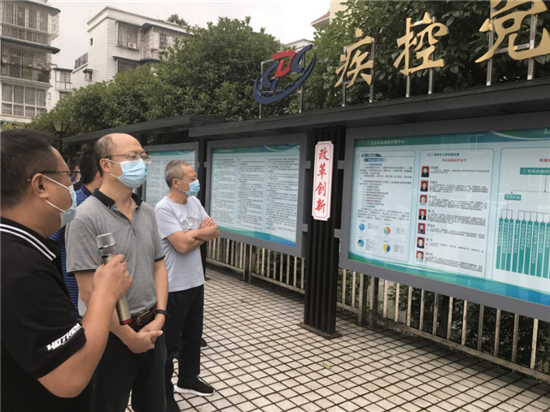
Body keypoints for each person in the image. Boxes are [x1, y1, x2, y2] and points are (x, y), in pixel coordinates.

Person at [1, 129, 131, 412]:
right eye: (67, 177)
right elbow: (69, 377)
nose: (72, 186)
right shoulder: (22, 271)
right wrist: (105, 293)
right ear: (41, 185)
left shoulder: (16, 249)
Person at [66, 133, 168, 412]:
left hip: (153, 328)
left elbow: (159, 265)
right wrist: (129, 337)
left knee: (154, 405)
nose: (141, 163)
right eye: (132, 157)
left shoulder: (147, 211)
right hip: (110, 336)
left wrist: (160, 315)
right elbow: (89, 292)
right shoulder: (84, 217)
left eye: (143, 157)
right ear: (106, 165)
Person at [155, 161, 219, 411]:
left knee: (193, 336)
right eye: (192, 178)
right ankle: (164, 393)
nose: (196, 182)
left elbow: (214, 231)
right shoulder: (163, 209)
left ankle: (188, 380)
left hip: (195, 281)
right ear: (176, 182)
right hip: (173, 286)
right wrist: (199, 233)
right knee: (169, 344)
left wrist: (191, 235)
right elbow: (181, 246)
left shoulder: (194, 202)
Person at [50, 148, 102, 312]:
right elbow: (51, 244)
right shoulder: (71, 204)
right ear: (101, 174)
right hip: (77, 298)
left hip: (104, 295)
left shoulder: (108, 206)